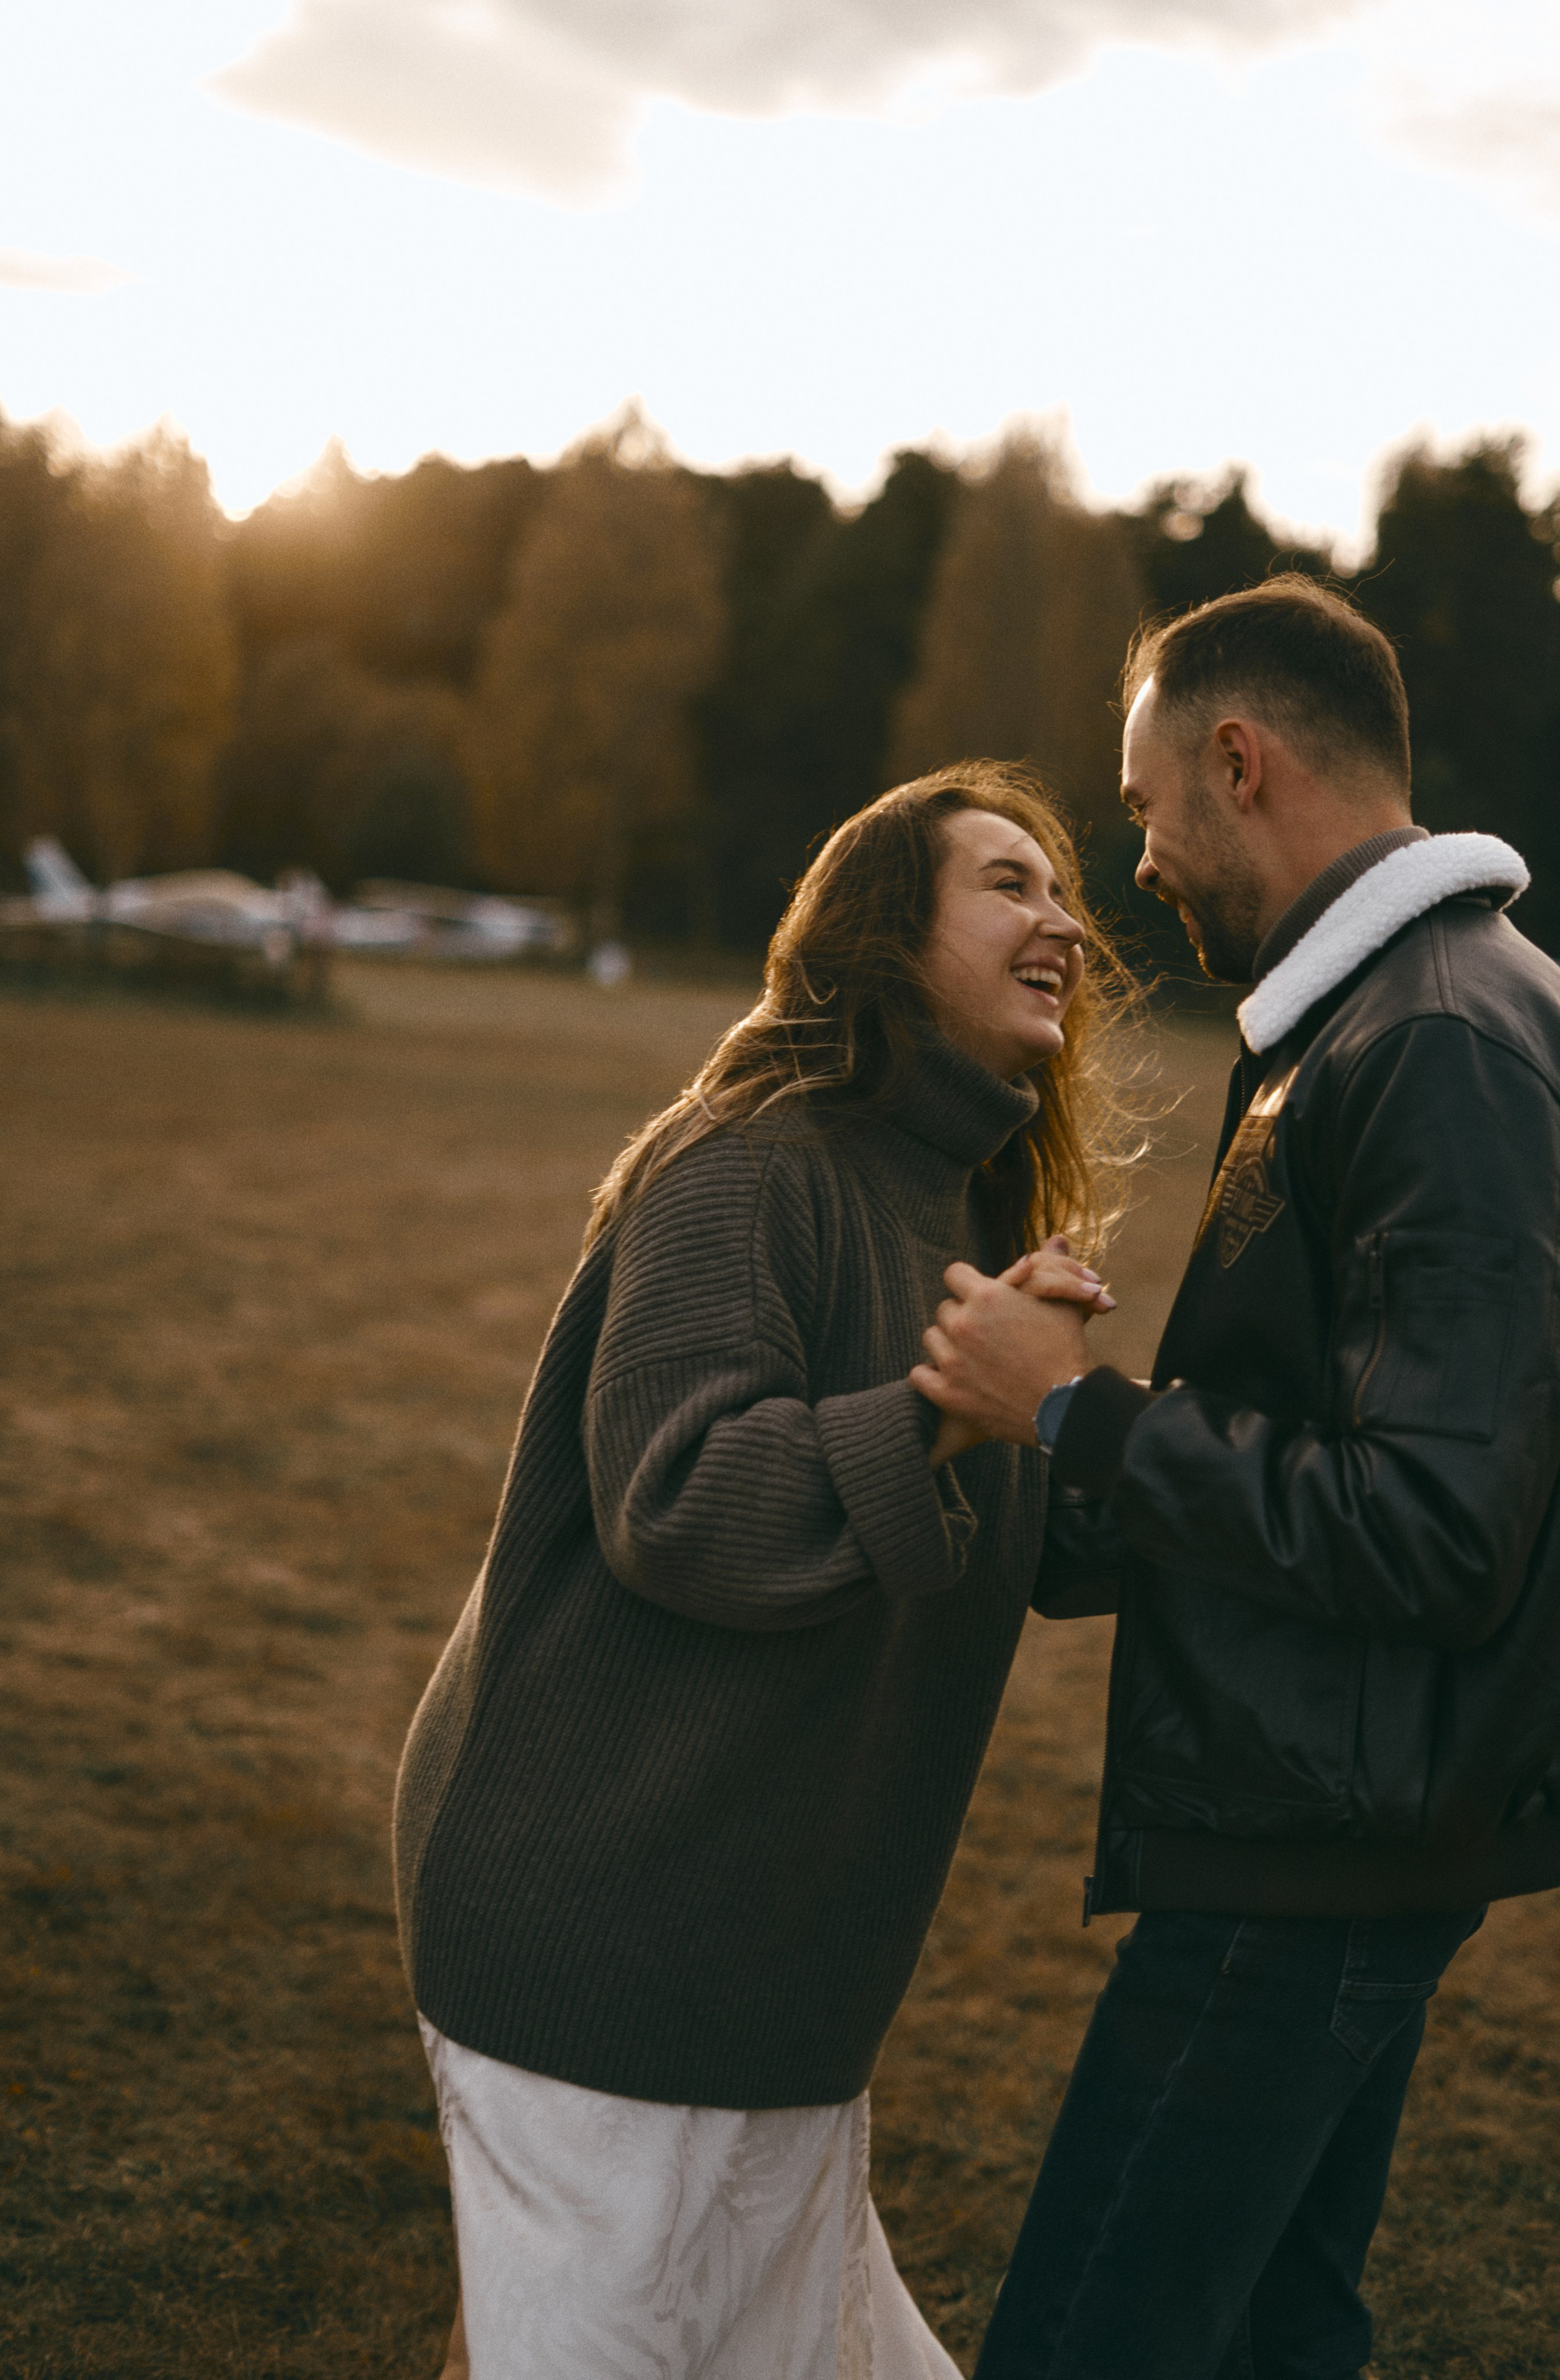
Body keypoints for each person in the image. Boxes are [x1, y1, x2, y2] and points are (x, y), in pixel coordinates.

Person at [912, 577, 1560, 2380]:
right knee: (1281, 2337)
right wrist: (1061, 1454)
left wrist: (1088, 1415)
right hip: (1339, 1822)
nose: (1132, 862)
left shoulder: (1438, 1035)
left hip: (1313, 1853)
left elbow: (1440, 1527)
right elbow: (1333, 1432)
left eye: (1139, 809)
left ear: (1239, 760)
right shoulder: (1386, 1013)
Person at [393, 762, 1140, 2380]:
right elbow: (680, 1493)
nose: (1063, 922)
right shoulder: (754, 1162)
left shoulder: (966, 1198)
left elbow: (1017, 1542)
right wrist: (948, 1409)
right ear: (885, 931)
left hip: (775, 1987)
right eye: (1007, 882)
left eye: (1063, 887)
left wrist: (1109, 1434)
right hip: (602, 1936)